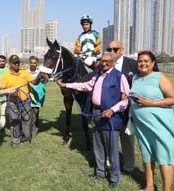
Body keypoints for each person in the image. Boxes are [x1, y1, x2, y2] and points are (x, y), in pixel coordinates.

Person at [57, 52, 130, 189]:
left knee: (111, 147)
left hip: (111, 116)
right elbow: (85, 86)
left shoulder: (120, 77)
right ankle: (100, 172)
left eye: (108, 61)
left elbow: (125, 100)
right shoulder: (97, 75)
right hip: (96, 113)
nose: (104, 63)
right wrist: (67, 85)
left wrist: (113, 110)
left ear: (114, 62)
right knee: (98, 145)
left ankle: (114, 177)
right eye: (102, 61)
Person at [130, 50, 174, 191]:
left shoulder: (159, 77)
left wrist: (151, 104)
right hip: (142, 126)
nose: (142, 64)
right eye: (140, 61)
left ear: (153, 63)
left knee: (164, 156)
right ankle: (149, 186)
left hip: (160, 125)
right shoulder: (135, 78)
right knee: (146, 154)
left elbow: (172, 98)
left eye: (146, 61)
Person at [107, 40, 138, 175]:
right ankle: (110, 163)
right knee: (110, 137)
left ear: (122, 50)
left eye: (115, 49)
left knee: (127, 139)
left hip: (127, 110)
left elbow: (143, 82)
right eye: (110, 49)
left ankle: (129, 166)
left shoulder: (133, 64)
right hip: (109, 109)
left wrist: (130, 94)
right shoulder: (105, 65)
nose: (112, 52)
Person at [0, 55, 39, 147]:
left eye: (18, 62)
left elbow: (34, 82)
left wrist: (39, 78)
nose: (17, 64)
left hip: (25, 101)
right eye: (14, 63)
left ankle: (26, 138)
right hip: (12, 102)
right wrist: (10, 93)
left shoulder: (24, 73)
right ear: (10, 64)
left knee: (27, 119)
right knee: (14, 120)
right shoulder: (5, 76)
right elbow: (2, 89)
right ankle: (15, 140)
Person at [27, 56, 46, 137]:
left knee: (35, 114)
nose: (33, 64)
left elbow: (45, 81)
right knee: (27, 114)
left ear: (37, 64)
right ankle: (27, 131)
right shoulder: (26, 72)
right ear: (29, 63)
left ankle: (34, 131)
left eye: (34, 63)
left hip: (38, 98)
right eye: (31, 63)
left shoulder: (40, 73)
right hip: (27, 96)